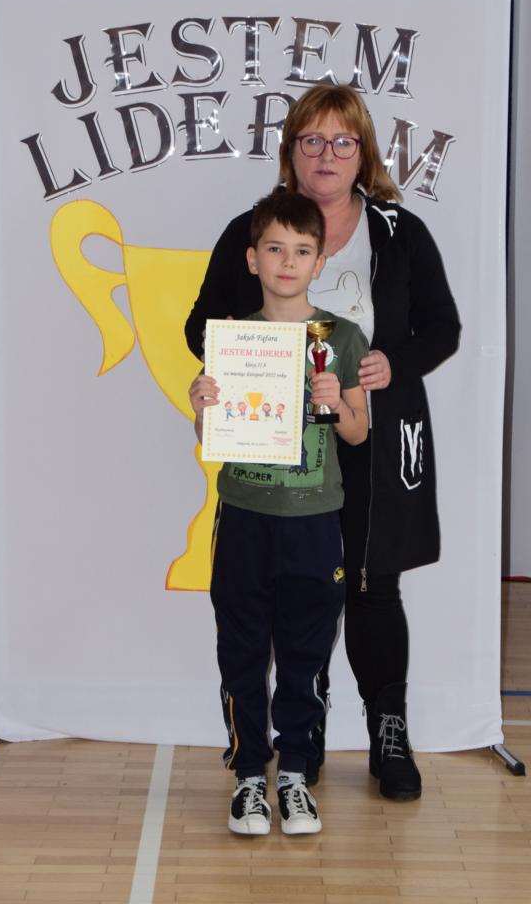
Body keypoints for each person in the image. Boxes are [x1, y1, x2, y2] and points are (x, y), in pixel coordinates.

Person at [186, 84, 461, 802]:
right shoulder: (254, 228)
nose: (327, 154)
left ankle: (388, 732)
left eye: (343, 141)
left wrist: (392, 363)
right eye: (311, 140)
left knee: (372, 585)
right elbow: (200, 326)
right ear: (291, 152)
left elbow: (443, 327)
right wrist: (240, 365)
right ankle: (285, 751)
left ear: (363, 153)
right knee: (275, 598)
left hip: (366, 433)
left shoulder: (398, 232)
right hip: (273, 449)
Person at [189, 191, 369, 836]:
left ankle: (294, 775)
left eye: (301, 251)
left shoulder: (340, 338)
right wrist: (202, 404)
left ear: (319, 262)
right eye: (274, 249)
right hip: (244, 515)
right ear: (252, 259)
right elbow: (212, 433)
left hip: (315, 521)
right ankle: (248, 778)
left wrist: (334, 401)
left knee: (304, 653)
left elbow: (357, 432)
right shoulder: (234, 339)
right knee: (240, 649)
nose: (287, 262)